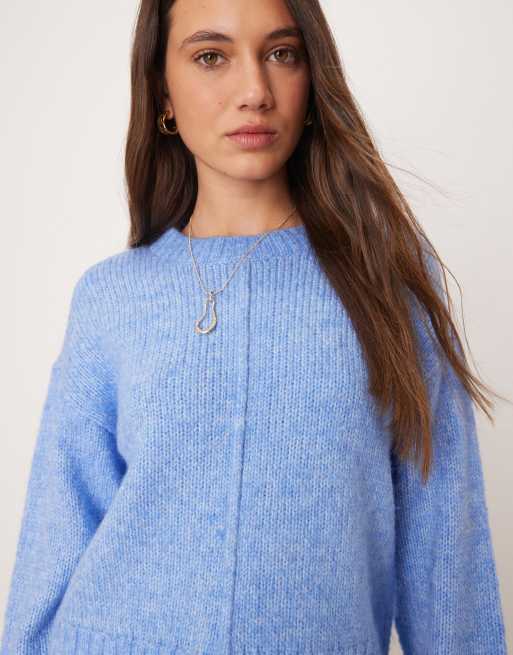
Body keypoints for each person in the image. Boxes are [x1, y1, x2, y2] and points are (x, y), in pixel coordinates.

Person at [1, 0, 508, 653]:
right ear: (163, 91)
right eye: (211, 56)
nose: (254, 91)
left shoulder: (391, 289)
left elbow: (448, 566)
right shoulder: (111, 298)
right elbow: (54, 543)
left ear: (312, 76)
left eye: (281, 53)